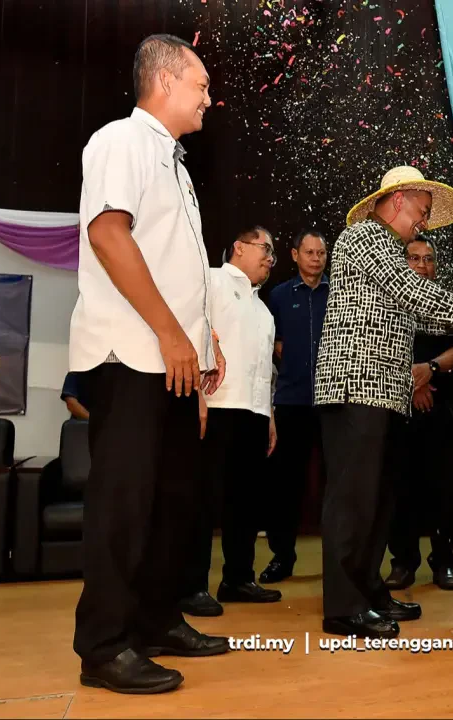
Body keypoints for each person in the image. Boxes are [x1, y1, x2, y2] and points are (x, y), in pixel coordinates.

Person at [68, 34, 228, 695]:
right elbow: (107, 232)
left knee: (172, 505)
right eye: (200, 87)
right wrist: (170, 334)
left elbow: (178, 267)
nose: (208, 100)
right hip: (131, 354)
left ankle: (157, 621)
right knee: (125, 504)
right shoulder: (122, 141)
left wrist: (200, 346)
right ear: (165, 81)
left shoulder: (177, 167)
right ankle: (103, 645)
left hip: (170, 363)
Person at [314, 165, 453, 639]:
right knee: (353, 500)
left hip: (382, 393)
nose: (423, 222)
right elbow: (411, 292)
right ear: (397, 200)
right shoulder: (366, 236)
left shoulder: (387, 249)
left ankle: (368, 593)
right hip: (354, 386)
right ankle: (343, 607)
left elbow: (413, 315)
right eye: (421, 212)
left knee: (377, 501)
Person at [179, 227, 285, 617]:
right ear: (238, 247)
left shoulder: (264, 310)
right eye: (265, 249)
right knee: (203, 500)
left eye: (274, 253)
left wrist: (270, 415)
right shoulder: (212, 280)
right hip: (217, 406)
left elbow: (265, 371)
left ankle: (238, 578)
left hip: (255, 412)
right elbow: (191, 334)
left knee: (246, 502)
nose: (271, 259)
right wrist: (197, 398)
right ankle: (190, 585)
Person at [385, 237, 453, 592]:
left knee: (445, 490)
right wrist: (414, 384)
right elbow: (382, 348)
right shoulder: (388, 305)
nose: (422, 265)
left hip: (443, 411)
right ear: (403, 265)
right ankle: (403, 563)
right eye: (414, 258)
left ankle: (444, 563)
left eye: (429, 259)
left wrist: (430, 369)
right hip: (399, 409)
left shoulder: (449, 305)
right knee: (399, 488)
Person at [260, 229, 329, 584]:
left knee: (337, 485)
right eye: (309, 252)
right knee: (285, 485)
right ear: (294, 255)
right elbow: (271, 341)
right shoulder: (279, 295)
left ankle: (340, 562)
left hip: (333, 402)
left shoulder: (339, 295)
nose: (316, 258)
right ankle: (281, 557)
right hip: (291, 400)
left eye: (321, 252)